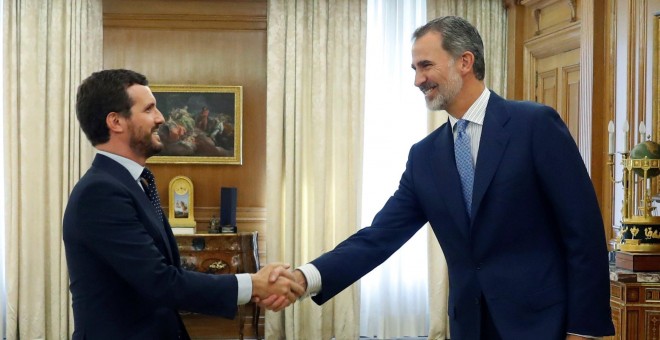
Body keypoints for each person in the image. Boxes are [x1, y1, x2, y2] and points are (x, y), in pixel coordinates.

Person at [260, 16, 615, 339]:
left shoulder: (534, 125)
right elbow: (378, 238)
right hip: (469, 327)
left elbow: (582, 233)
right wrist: (305, 278)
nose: (417, 80)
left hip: (543, 326)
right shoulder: (424, 157)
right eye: (414, 68)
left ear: (465, 61)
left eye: (425, 66)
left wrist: (584, 329)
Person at [63, 69, 303, 340]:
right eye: (150, 109)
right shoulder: (101, 193)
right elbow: (160, 282)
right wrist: (253, 284)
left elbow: (166, 274)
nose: (161, 118)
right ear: (116, 121)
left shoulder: (134, 182)